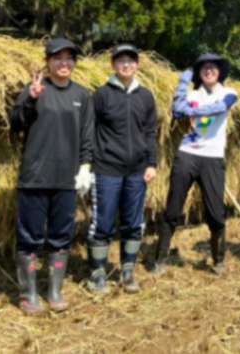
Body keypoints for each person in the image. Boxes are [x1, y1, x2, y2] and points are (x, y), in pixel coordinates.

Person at [9, 38, 94, 314]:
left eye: (70, 58)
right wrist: (31, 99)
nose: (64, 63)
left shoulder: (82, 95)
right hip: (35, 176)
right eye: (58, 58)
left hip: (66, 180)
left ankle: (55, 290)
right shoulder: (35, 89)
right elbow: (16, 123)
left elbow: (87, 135)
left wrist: (85, 167)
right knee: (30, 236)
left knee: (61, 235)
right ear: (48, 61)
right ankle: (29, 293)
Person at [153, 53, 238, 275]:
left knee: (215, 212)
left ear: (219, 72)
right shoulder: (192, 93)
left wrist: (191, 111)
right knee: (173, 207)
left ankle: (218, 260)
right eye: (204, 68)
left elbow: (221, 107)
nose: (209, 70)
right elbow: (177, 109)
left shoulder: (229, 93)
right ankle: (161, 259)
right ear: (198, 74)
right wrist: (182, 82)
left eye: (213, 67)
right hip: (187, 154)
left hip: (213, 157)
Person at [87, 44, 158, 293]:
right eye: (120, 61)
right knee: (103, 223)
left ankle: (128, 271)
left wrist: (152, 163)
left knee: (133, 223)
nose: (126, 65)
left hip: (137, 170)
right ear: (113, 65)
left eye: (130, 61)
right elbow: (90, 130)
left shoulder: (146, 96)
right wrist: (88, 164)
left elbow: (150, 132)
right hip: (106, 168)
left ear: (137, 65)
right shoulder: (102, 95)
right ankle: (97, 272)